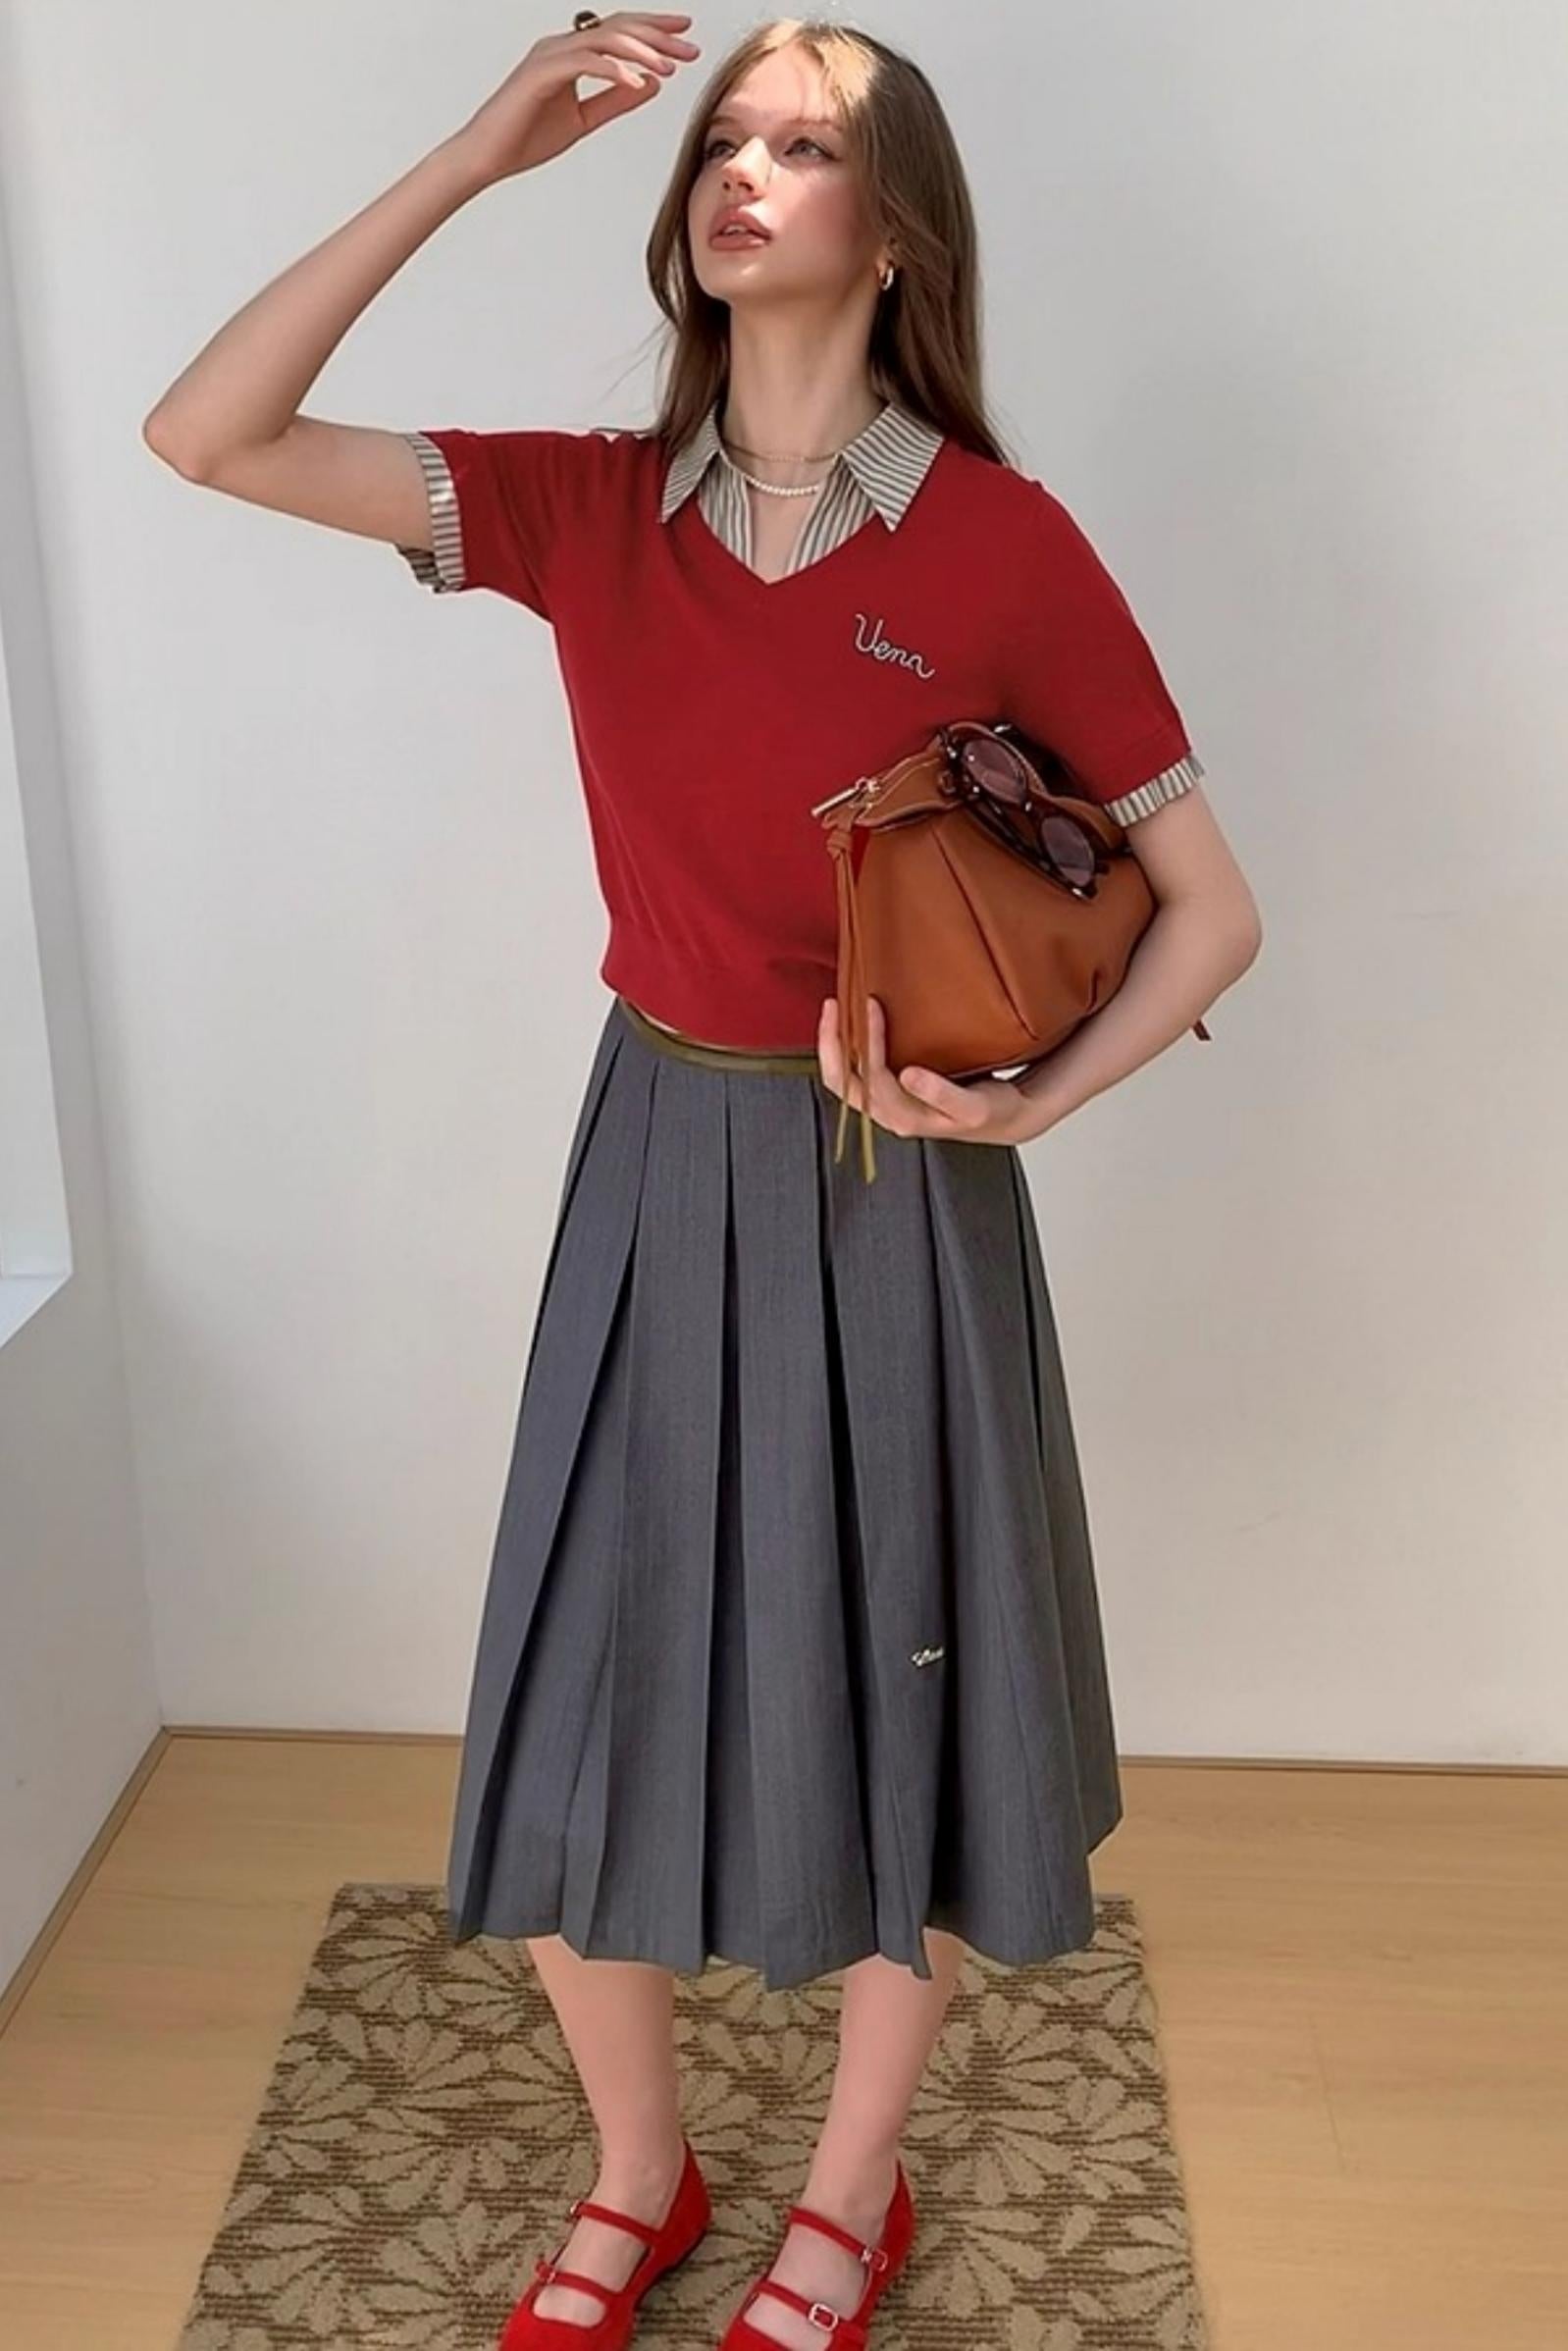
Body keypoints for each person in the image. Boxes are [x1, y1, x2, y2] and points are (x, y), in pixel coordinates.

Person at [142, 12, 1262, 2347]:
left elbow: (1209, 908)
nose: (743, 171)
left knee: (902, 1696)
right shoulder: (583, 513)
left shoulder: (1000, 544)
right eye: (722, 141)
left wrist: (1030, 1111)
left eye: (805, 145)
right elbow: (206, 431)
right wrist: (474, 154)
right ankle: (640, 2174)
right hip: (652, 1147)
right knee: (580, 1694)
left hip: (897, 1186)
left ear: (899, 225)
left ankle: (849, 2196)